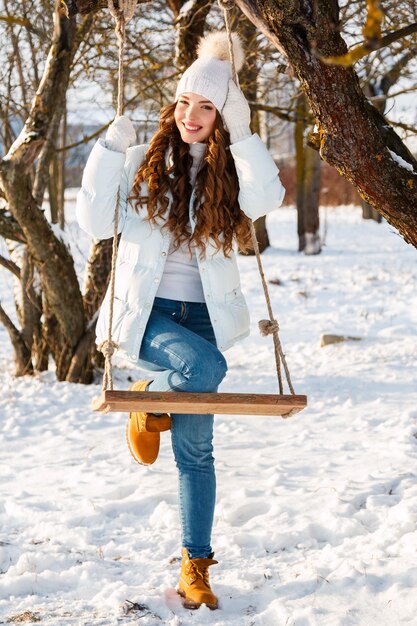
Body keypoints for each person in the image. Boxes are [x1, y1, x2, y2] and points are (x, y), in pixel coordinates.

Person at [76, 31, 285, 610]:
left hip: (206, 316)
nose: (194, 115)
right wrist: (105, 151)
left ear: (222, 116)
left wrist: (244, 136)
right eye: (187, 102)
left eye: (209, 107)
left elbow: (268, 199)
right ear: (175, 104)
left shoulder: (231, 175)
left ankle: (196, 567)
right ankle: (151, 395)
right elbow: (94, 223)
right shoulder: (144, 168)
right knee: (206, 366)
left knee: (198, 454)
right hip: (148, 320)